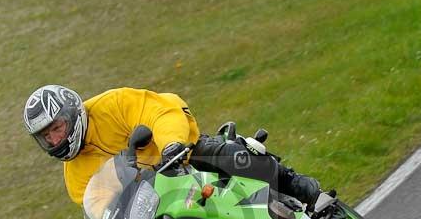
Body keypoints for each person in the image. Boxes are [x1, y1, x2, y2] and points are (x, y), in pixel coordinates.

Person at [22, 85, 322, 207]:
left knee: (231, 157)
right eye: (45, 137)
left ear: (73, 113)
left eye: (57, 129)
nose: (54, 140)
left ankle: (296, 186)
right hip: (157, 197)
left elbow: (160, 113)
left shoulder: (112, 104)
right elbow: (99, 205)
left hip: (180, 155)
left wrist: (171, 145)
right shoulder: (75, 176)